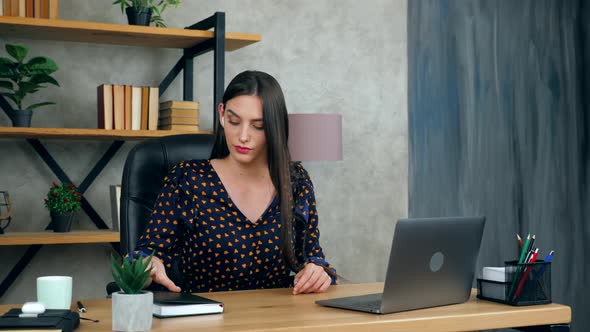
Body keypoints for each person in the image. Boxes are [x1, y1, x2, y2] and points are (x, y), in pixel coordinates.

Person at [130, 70, 337, 295]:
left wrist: (317, 272)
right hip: (204, 320)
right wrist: (147, 267)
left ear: (275, 126)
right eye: (234, 121)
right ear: (221, 114)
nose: (243, 136)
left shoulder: (296, 181)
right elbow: (147, 255)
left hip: (276, 319)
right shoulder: (188, 179)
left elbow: (313, 257)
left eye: (258, 126)